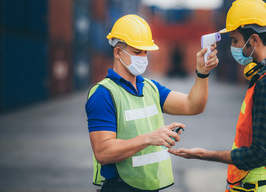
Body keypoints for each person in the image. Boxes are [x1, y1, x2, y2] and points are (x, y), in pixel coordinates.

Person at [169, 0, 266, 192]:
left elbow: (260, 154)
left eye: (235, 41)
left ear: (254, 40)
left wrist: (204, 154)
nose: (233, 47)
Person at [85, 14, 219, 192]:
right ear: (117, 52)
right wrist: (150, 138)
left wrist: (202, 73)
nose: (143, 57)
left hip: (150, 186)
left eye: (145, 52)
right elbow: (103, 152)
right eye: (137, 52)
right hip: (120, 188)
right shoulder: (103, 94)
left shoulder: (150, 87)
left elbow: (193, 105)